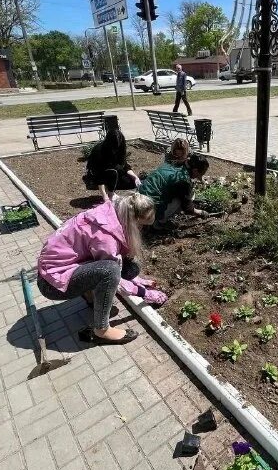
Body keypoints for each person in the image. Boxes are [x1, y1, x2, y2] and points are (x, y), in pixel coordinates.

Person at [37, 193, 167, 346]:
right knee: (109, 271)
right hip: (52, 284)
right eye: (141, 225)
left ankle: (90, 296)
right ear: (132, 220)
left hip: (57, 271)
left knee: (130, 269)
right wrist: (144, 293)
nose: (140, 229)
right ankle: (101, 330)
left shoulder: (109, 212)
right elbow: (113, 276)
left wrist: (138, 280)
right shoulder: (105, 238)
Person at [138, 154, 210, 228]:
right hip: (149, 209)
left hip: (139, 199)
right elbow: (188, 208)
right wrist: (200, 212)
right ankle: (159, 222)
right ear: (195, 170)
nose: (199, 177)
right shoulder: (184, 181)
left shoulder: (171, 165)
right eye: (201, 174)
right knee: (185, 197)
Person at [82, 129, 141, 200]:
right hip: (97, 175)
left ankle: (110, 186)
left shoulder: (120, 147)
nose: (117, 148)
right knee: (114, 172)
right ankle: (110, 192)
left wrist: (135, 177)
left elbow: (124, 165)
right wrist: (104, 196)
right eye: (115, 145)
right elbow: (98, 174)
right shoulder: (99, 151)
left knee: (132, 183)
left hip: (113, 173)